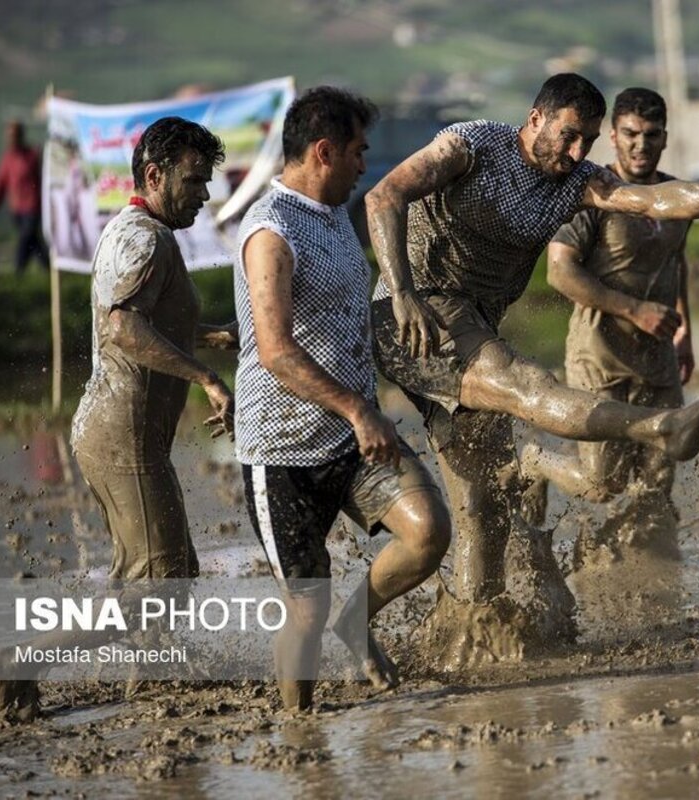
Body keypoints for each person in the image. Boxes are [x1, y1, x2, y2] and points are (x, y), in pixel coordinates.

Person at [366, 73, 699, 605]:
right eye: (570, 136)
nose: (578, 152)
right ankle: (660, 427)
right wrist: (401, 292)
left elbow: (656, 201)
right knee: (527, 382)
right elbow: (383, 195)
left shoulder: (577, 182)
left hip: (477, 326)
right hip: (418, 318)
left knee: (483, 511)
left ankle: (471, 639)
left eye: (588, 142)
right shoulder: (472, 146)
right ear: (535, 120)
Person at [0, 116, 237, 721]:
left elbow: (144, 320)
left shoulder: (136, 231)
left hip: (119, 433)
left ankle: (149, 682)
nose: (204, 195)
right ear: (155, 175)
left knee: (157, 574)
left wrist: (210, 336)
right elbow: (122, 327)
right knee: (165, 578)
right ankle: (25, 659)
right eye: (195, 181)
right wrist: (205, 377)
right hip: (123, 435)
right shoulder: (146, 240)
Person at [235, 86, 451, 711]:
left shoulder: (330, 214)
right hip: (282, 452)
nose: (365, 164)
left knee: (429, 533)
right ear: (323, 152)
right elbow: (275, 351)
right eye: (357, 152)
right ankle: (298, 730)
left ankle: (355, 623)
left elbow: (301, 318)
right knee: (305, 607)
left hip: (352, 438)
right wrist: (359, 408)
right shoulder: (270, 230)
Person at [520, 88, 693, 533]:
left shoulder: (676, 200)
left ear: (665, 139)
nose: (641, 144)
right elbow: (560, 273)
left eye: (651, 135)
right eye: (631, 134)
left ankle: (635, 574)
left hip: (657, 358)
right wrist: (635, 309)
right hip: (599, 355)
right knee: (603, 482)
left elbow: (676, 263)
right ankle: (535, 461)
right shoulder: (591, 196)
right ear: (613, 137)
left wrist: (684, 331)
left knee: (657, 484)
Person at [0, 120, 51, 273]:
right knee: (33, 241)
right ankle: (48, 268)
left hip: (33, 207)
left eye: (14, 135)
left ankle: (18, 270)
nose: (11, 139)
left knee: (25, 238)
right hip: (16, 209)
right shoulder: (7, 160)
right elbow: (0, 184)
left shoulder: (32, 155)